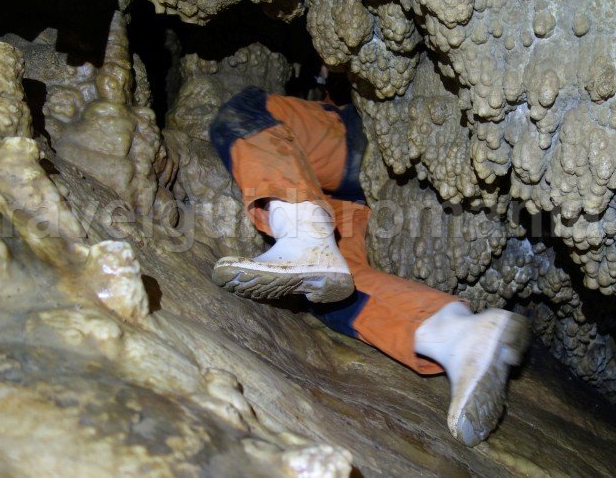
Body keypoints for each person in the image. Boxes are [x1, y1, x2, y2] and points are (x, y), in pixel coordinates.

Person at [208, 84, 530, 447]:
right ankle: (459, 337)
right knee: (331, 293)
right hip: (355, 208)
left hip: (356, 144)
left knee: (241, 114)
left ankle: (302, 233)